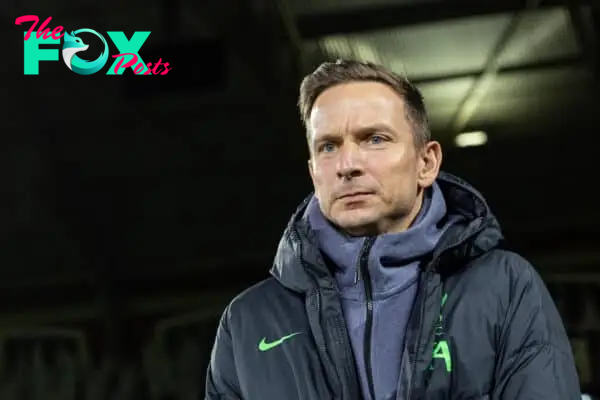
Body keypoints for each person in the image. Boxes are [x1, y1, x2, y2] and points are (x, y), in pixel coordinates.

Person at [205, 60, 581, 399]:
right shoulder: (248, 323)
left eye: (375, 139)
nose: (347, 164)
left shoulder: (505, 287)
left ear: (426, 162)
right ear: (312, 172)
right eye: (328, 147)